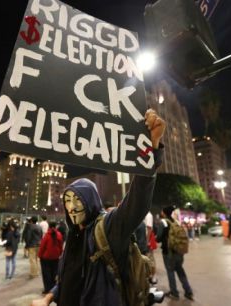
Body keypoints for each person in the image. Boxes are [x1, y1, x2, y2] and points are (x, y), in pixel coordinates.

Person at [31, 108, 165, 306]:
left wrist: (151, 148)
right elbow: (68, 279)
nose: (71, 207)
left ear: (91, 201)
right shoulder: (74, 236)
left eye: (78, 200)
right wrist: (49, 297)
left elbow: (137, 201)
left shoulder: (108, 227)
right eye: (67, 201)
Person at [157, 206, 194, 301]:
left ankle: (174, 293)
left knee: (170, 271)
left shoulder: (163, 222)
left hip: (168, 252)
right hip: (179, 251)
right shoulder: (176, 221)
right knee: (180, 270)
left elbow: (159, 238)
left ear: (164, 213)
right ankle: (188, 291)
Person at [39, 221, 63, 294]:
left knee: (46, 274)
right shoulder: (59, 234)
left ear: (49, 226)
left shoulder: (47, 235)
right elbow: (61, 246)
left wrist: (39, 255)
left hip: (46, 258)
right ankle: (53, 289)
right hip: (55, 258)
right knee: (54, 273)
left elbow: (42, 246)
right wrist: (60, 254)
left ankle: (47, 289)